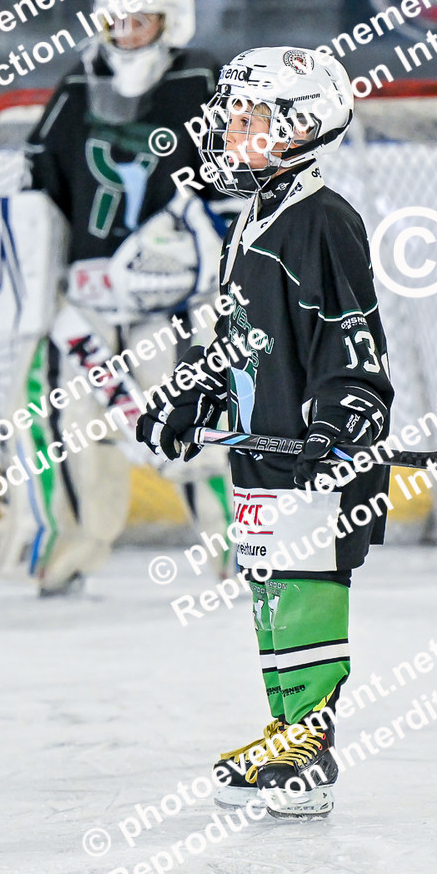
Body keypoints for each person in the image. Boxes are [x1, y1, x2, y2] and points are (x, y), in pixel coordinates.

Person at [137, 48, 394, 818]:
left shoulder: (323, 221)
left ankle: (311, 749)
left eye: (247, 120)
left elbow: (353, 336)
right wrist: (192, 396)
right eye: (231, 117)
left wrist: (342, 421)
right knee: (271, 595)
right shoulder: (254, 218)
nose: (227, 132)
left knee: (308, 593)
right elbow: (235, 337)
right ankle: (286, 729)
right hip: (262, 454)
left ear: (300, 126)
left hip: (316, 458)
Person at [11, 0, 233, 597]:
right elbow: (42, 188)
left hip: (176, 301)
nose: (128, 34)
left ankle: (237, 548)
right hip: (89, 301)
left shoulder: (202, 80)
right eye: (119, 22)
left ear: (172, 22)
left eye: (142, 21)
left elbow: (239, 186)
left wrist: (207, 252)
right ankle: (68, 552)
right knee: (67, 423)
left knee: (198, 422)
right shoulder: (79, 84)